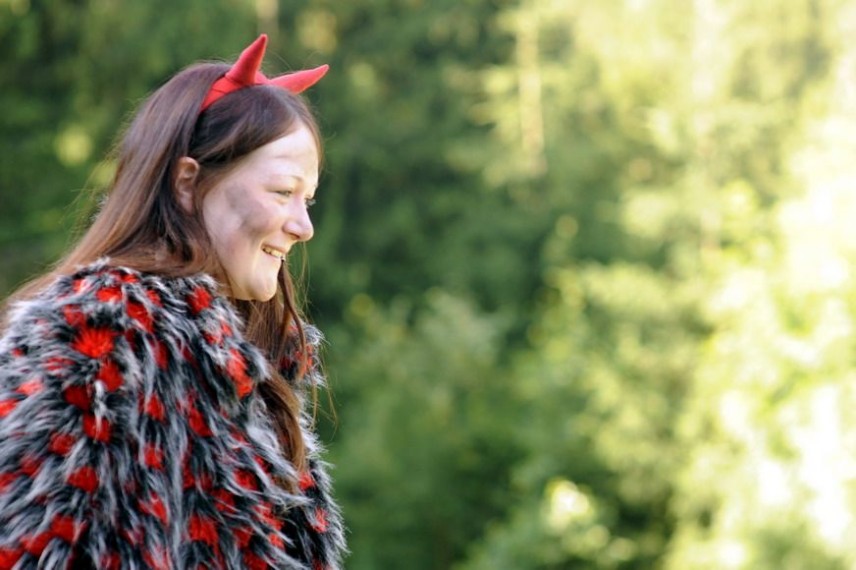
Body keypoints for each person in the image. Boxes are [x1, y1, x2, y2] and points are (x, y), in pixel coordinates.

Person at [0, 35, 346, 569]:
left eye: (309, 199)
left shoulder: (248, 358)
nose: (304, 226)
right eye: (283, 192)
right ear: (188, 184)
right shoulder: (95, 335)